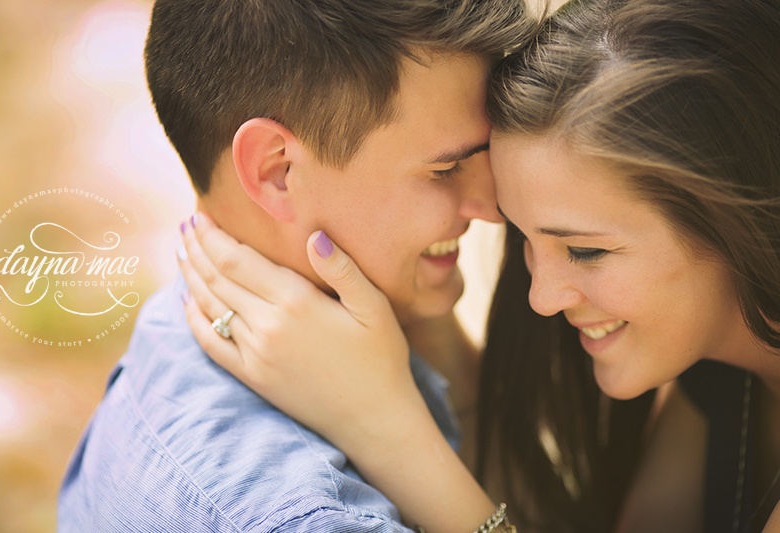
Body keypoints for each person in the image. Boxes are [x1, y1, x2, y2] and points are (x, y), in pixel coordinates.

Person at [178, 0, 780, 531]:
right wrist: (421, 319)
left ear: (737, 209)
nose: (540, 298)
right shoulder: (714, 376)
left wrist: (390, 431)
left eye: (586, 250)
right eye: (523, 234)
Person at [57, 1, 537, 531]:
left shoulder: (174, 330)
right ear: (277, 171)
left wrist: (431, 340)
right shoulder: (308, 517)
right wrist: (391, 431)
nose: (492, 207)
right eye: (446, 169)